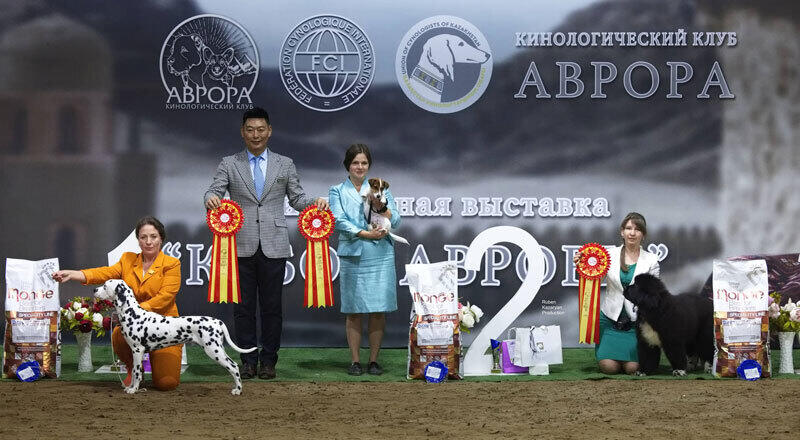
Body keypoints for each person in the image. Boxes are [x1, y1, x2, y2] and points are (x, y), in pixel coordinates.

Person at [204, 107, 328, 380]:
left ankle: (269, 361)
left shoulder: (285, 164)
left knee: (272, 307)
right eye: (250, 130)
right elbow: (214, 189)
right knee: (243, 308)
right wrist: (211, 199)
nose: (256, 135)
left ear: (269, 131)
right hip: (240, 244)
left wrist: (315, 202)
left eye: (261, 129)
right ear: (242, 132)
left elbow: (297, 198)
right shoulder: (229, 163)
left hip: (274, 244)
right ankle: (248, 360)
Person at [52, 216, 182, 390]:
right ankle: (134, 369)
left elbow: (166, 296)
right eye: (143, 237)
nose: (148, 242)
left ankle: (156, 360)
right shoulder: (127, 260)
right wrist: (74, 274)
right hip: (134, 327)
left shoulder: (171, 263)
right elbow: (104, 273)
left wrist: (136, 311)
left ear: (161, 238)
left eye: (153, 236)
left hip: (164, 327)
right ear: (138, 240)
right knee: (119, 334)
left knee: (167, 384)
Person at [329, 144, 401, 376]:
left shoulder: (380, 187)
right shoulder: (337, 190)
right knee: (354, 310)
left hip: (380, 253)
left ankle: (373, 361)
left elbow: (397, 220)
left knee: (378, 310)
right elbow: (338, 220)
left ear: (369, 165)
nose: (360, 167)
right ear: (347, 165)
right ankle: (355, 361)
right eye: (355, 163)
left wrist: (382, 206)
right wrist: (364, 233)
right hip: (354, 253)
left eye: (364, 163)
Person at [574, 212, 660, 375]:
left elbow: (654, 295)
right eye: (628, 228)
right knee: (609, 368)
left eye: (637, 229)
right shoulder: (608, 255)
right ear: (622, 232)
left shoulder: (652, 260)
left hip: (636, 325)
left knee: (632, 368)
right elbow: (591, 278)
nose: (632, 233)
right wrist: (581, 264)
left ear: (643, 234)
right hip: (609, 321)